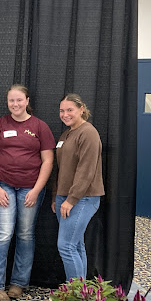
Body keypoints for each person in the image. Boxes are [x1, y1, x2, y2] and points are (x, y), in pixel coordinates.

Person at [0, 84, 55, 301]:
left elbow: (48, 160)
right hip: (3, 185)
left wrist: (36, 190)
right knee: (3, 233)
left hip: (31, 188)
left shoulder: (40, 126)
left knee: (25, 234)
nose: (15, 104)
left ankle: (18, 283)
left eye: (19, 100)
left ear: (27, 101)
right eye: (11, 101)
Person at [52, 93, 104, 281]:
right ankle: (82, 294)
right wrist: (55, 197)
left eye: (70, 110)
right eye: (62, 111)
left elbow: (86, 171)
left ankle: (74, 297)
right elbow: (62, 169)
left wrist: (71, 200)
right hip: (64, 197)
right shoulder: (67, 134)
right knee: (75, 245)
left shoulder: (88, 133)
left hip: (82, 198)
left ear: (81, 109)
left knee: (66, 246)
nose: (65, 114)